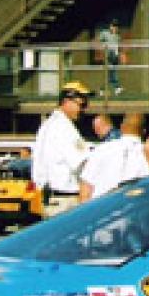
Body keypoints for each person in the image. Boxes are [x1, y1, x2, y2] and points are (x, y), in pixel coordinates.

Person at [31, 80, 93, 213]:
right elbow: (83, 162)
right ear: (66, 101)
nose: (83, 110)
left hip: (50, 197)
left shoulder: (48, 124)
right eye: (81, 105)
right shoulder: (65, 127)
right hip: (65, 199)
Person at [80, 112, 149, 201]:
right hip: (135, 206)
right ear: (144, 131)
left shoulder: (100, 150)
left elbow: (86, 190)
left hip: (102, 206)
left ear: (121, 128)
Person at [99, 19, 124, 95]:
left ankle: (104, 89)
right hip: (108, 55)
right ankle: (116, 87)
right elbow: (100, 42)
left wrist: (119, 55)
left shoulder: (118, 36)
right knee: (110, 73)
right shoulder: (105, 33)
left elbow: (119, 47)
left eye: (116, 26)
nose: (115, 28)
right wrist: (104, 47)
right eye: (113, 26)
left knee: (111, 74)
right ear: (110, 26)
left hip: (115, 56)